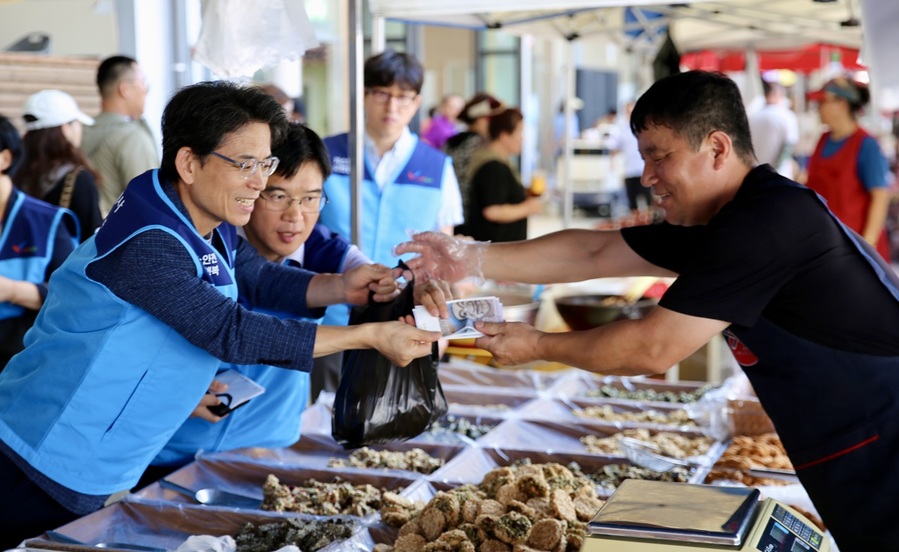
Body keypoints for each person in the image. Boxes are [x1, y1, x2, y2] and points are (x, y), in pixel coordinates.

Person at [398, 70, 899, 551]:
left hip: (883, 449)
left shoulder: (767, 223)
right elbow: (593, 252)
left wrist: (537, 345)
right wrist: (473, 255)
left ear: (717, 148)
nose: (647, 176)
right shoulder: (722, 219)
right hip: (845, 448)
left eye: (659, 157)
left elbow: (653, 347)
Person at [0, 81, 441, 548]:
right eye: (246, 165)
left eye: (265, 163)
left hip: (97, 458)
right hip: (42, 452)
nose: (258, 181)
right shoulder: (149, 241)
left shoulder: (203, 220)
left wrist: (341, 286)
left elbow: (257, 278)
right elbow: (231, 332)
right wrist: (370, 336)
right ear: (189, 163)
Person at [142, 122, 453, 485]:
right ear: (250, 188)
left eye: (310, 198)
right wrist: (176, 394)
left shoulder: (324, 248)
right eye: (277, 196)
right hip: (175, 451)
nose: (295, 216)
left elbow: (376, 279)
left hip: (269, 453)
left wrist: (413, 290)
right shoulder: (202, 247)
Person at [0, 115, 79, 370]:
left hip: (24, 365)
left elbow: (73, 293)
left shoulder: (48, 222)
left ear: (5, 158)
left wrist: (11, 290)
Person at [805, 76, 891, 261]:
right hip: (826, 244)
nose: (817, 108)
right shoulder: (823, 139)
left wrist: (867, 245)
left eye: (822, 102)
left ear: (842, 104)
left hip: (854, 247)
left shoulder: (866, 145)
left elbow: (880, 196)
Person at [16, 89, 103, 242]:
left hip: (20, 262)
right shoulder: (79, 179)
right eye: (76, 123)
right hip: (63, 265)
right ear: (65, 128)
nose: (80, 129)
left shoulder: (14, 174)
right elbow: (91, 241)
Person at [81, 55, 158, 214]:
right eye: (143, 84)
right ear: (125, 89)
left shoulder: (79, 133)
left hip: (90, 235)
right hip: (124, 235)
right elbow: (150, 203)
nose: (145, 91)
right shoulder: (132, 137)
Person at [464, 107, 542, 243]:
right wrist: (528, 207)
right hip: (496, 250)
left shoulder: (499, 162)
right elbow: (492, 211)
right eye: (520, 132)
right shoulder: (492, 166)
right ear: (504, 136)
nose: (523, 138)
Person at [445, 92, 504, 235]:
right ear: (481, 119)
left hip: (452, 214)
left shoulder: (451, 141)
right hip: (473, 220)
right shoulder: (480, 145)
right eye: (495, 119)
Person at [749, 79, 799, 178]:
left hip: (755, 175)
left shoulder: (753, 116)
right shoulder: (787, 116)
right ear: (776, 94)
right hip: (779, 177)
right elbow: (788, 147)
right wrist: (772, 172)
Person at [619, 100, 650, 213]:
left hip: (643, 169)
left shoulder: (645, 127)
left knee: (648, 201)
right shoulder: (622, 129)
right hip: (629, 170)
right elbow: (616, 147)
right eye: (627, 111)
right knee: (632, 204)